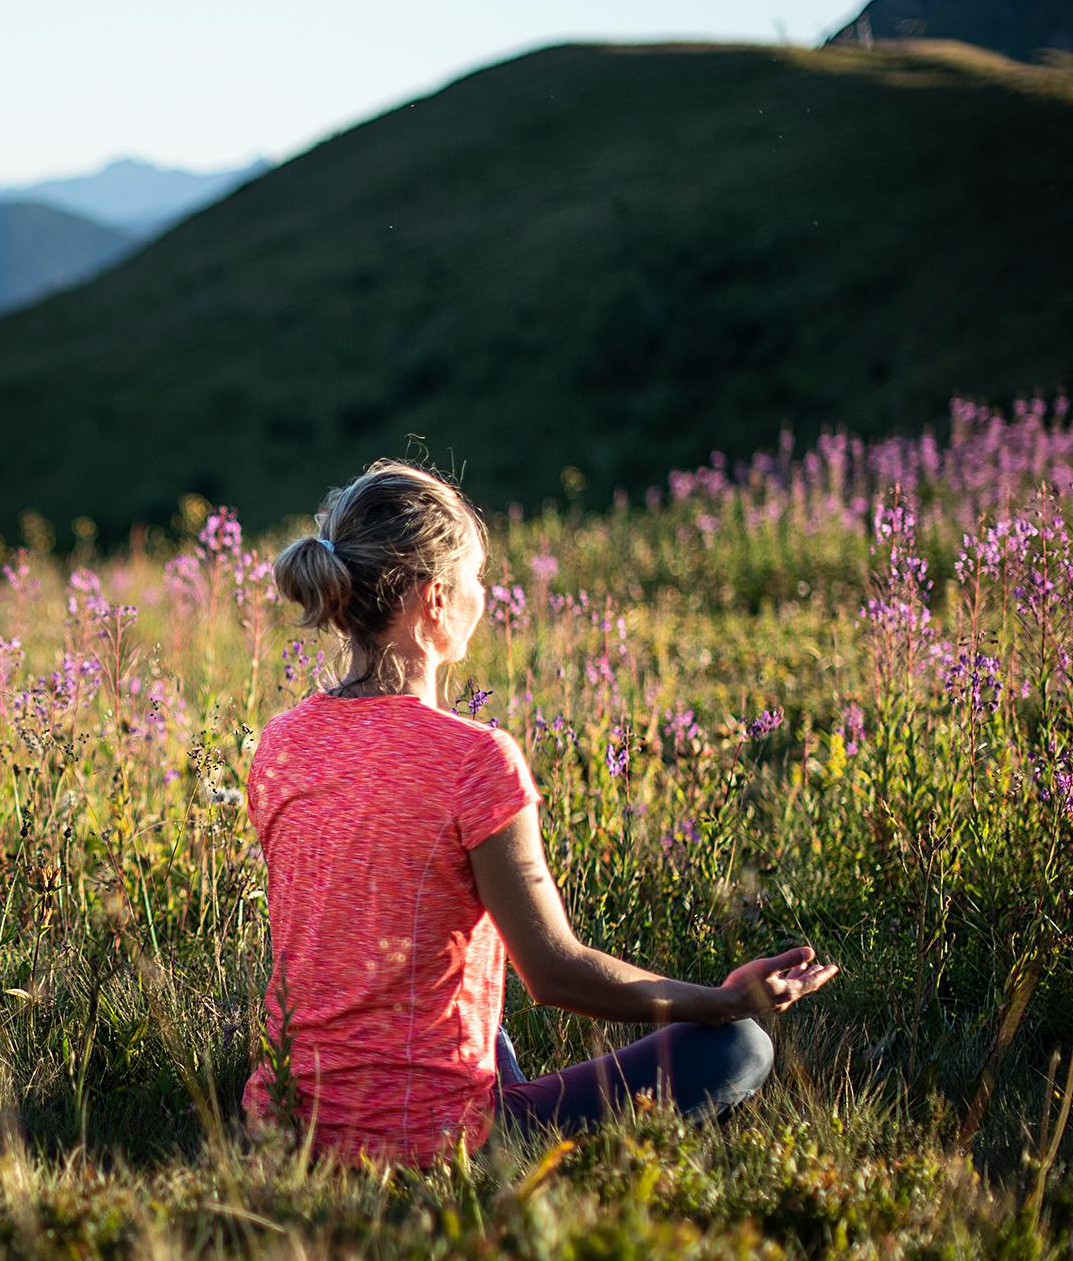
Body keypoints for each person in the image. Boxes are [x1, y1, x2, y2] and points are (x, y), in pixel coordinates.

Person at [241, 461, 837, 1166]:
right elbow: (555, 975)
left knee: (474, 996)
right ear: (435, 599)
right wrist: (726, 1000)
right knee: (740, 1049)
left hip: (285, 1126)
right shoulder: (474, 758)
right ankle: (534, 1166)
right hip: (435, 1142)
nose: (483, 597)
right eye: (476, 580)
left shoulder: (282, 741)